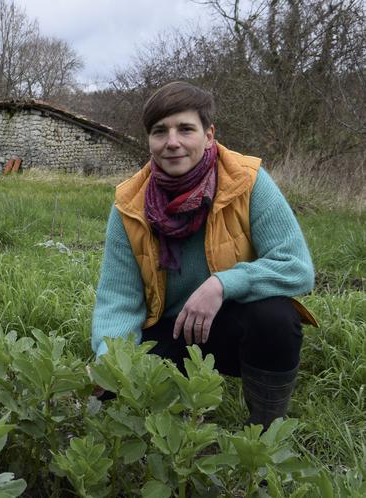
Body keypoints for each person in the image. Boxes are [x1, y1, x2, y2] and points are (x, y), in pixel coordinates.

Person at [91, 81, 317, 429]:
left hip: (227, 328)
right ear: (149, 140)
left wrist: (222, 285)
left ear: (209, 134)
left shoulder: (248, 182)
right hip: (168, 331)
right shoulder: (129, 206)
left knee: (276, 316)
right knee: (114, 391)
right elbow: (118, 299)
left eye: (185, 129)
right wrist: (110, 361)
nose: (172, 142)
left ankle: (267, 430)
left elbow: (297, 268)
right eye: (159, 131)